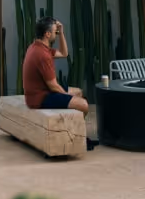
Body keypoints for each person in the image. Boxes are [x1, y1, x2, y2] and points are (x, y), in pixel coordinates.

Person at [22, 17, 98, 150]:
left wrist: (62, 32)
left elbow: (64, 53)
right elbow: (53, 86)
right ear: (47, 34)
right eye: (55, 32)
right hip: (40, 98)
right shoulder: (42, 55)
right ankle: (76, 137)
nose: (56, 33)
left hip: (42, 91)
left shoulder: (38, 46)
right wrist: (67, 98)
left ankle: (77, 133)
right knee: (84, 105)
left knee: (78, 91)